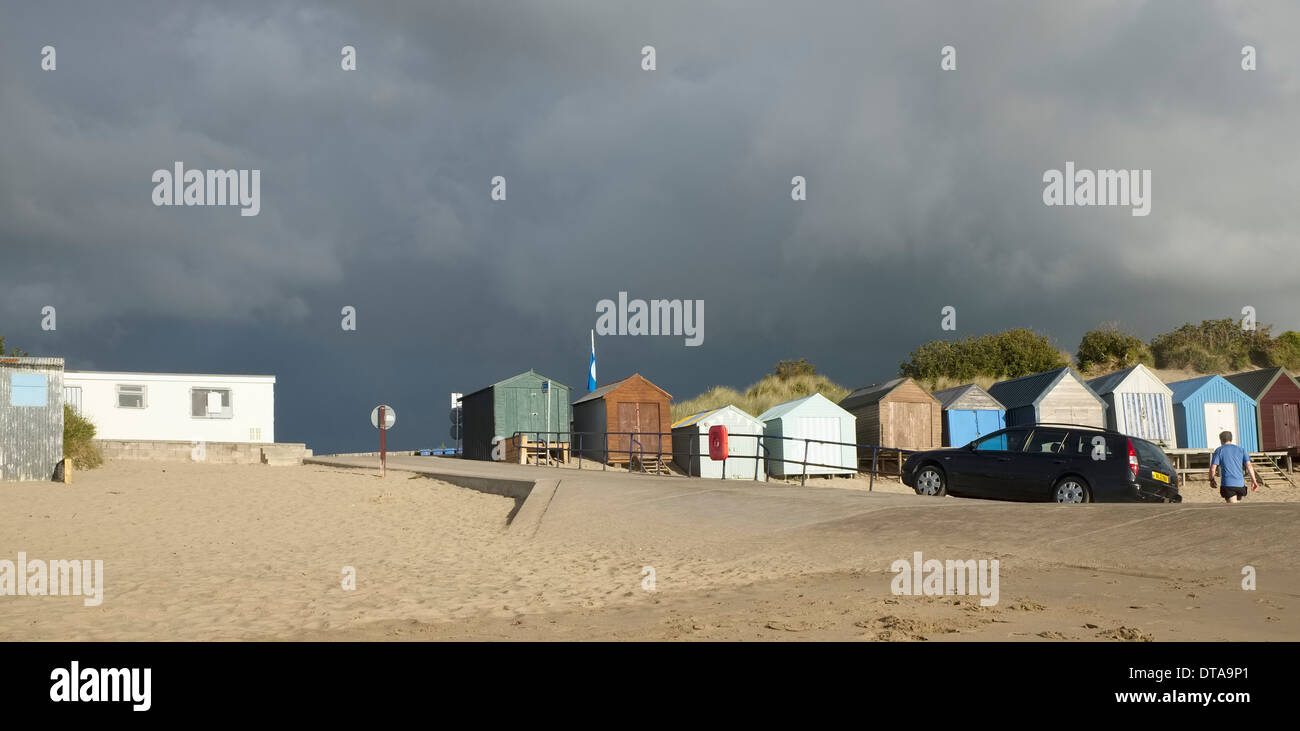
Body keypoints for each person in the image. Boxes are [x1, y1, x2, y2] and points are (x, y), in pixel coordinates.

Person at [1209, 430, 1257, 504]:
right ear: (1231, 439)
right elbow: (1249, 466)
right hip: (1240, 484)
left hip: (1228, 484)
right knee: (1237, 506)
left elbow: (1212, 469)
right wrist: (1254, 480)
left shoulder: (1219, 450)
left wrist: (1212, 480)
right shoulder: (1241, 449)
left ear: (1221, 440)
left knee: (1233, 509)